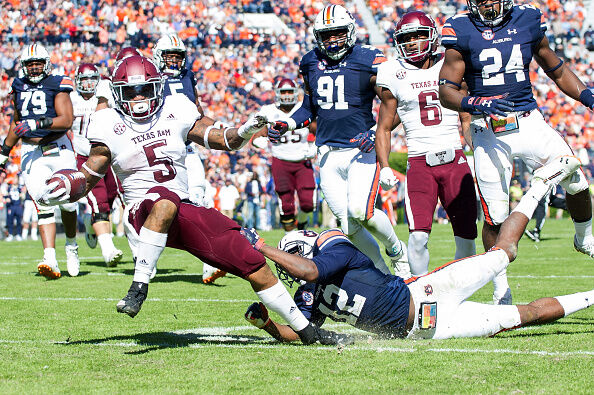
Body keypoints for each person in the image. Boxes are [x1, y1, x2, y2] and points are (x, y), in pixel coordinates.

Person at [39, 55, 350, 346]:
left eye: (145, 90)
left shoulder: (176, 108)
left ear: (157, 87)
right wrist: (65, 188)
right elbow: (89, 177)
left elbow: (224, 140)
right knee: (164, 199)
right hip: (142, 211)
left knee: (251, 259)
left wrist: (250, 126)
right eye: (130, 92)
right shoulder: (107, 122)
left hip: (185, 209)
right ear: (118, 94)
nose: (139, 98)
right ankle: (139, 287)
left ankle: (308, 332)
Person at [242, 156, 594, 340]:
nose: (289, 271)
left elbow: (311, 270)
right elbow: (305, 333)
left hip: (426, 293)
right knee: (524, 317)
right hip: (430, 330)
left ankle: (541, 184)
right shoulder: (309, 291)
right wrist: (269, 325)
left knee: (503, 254)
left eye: (290, 260)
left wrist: (262, 247)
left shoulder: (332, 247)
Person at [438, 1, 594, 279]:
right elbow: (446, 91)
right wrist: (476, 103)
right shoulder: (459, 27)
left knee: (575, 175)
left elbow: (555, 69)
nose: (485, 3)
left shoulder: (528, 18)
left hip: (528, 119)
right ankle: (501, 289)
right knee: (495, 217)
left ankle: (583, 237)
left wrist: (585, 95)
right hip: (487, 128)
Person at [269, 4, 405, 275]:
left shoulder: (368, 58)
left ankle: (397, 252)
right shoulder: (310, 61)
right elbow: (310, 108)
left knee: (360, 211)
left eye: (338, 33)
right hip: (328, 153)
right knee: (348, 225)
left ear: (350, 32)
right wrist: (288, 123)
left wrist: (376, 132)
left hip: (360, 149)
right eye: (327, 34)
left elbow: (397, 103)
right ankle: (383, 274)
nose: (332, 40)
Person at [375, 11, 478, 287]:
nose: (411, 42)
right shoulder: (392, 72)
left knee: (467, 237)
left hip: (454, 158)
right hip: (419, 163)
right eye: (406, 37)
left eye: (418, 35)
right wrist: (384, 166)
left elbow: (466, 118)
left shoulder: (451, 63)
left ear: (432, 36)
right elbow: (384, 127)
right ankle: (419, 294)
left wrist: (476, 150)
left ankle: (461, 293)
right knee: (418, 237)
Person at [0, 43, 79, 279]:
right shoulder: (18, 85)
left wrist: (38, 123)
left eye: (38, 63)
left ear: (46, 64)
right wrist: (4, 153)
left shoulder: (57, 83)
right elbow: (18, 124)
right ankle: (50, 259)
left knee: (68, 202)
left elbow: (66, 120)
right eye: (30, 64)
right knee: (42, 203)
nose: (34, 68)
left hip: (59, 147)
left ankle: (72, 246)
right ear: (24, 67)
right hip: (31, 150)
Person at [71, 62, 123, 266]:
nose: (88, 83)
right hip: (84, 157)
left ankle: (91, 226)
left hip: (106, 156)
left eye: (92, 78)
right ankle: (108, 250)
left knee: (111, 198)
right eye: (84, 79)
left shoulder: (105, 96)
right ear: (77, 81)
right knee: (99, 201)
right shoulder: (70, 98)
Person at [253, 78, 316, 232]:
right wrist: (258, 141)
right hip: (280, 160)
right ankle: (291, 238)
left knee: (308, 204)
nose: (287, 95)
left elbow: (318, 131)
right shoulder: (268, 111)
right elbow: (256, 134)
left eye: (290, 91)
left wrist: (314, 145)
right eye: (284, 92)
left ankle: (301, 224)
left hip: (302, 160)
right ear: (277, 93)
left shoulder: (304, 108)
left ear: (296, 93)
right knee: (286, 204)